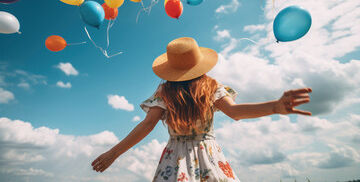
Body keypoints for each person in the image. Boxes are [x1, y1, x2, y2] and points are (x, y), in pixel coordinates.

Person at [91, 37, 312, 181]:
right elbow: (235, 113)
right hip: (210, 156)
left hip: (174, 160)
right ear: (198, 63)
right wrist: (274, 106)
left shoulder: (164, 91)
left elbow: (148, 124)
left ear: (171, 68)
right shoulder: (211, 85)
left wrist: (114, 153)